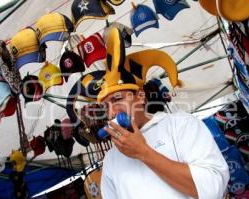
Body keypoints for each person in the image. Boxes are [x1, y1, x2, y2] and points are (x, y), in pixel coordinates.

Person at [94, 27, 230, 199]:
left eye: (117, 99)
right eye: (106, 107)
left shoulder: (181, 124)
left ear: (140, 96)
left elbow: (213, 188)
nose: (112, 112)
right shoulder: (111, 160)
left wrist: (143, 152)